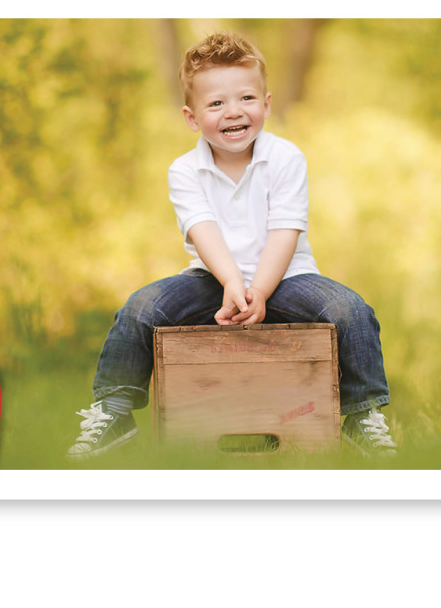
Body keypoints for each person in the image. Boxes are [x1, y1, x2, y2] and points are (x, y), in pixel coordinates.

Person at [67, 31, 396, 458]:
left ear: (267, 104)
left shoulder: (286, 158)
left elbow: (285, 229)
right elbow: (202, 228)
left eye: (246, 99)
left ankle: (363, 415)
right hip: (211, 278)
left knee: (350, 310)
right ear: (191, 117)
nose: (234, 112)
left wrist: (258, 290)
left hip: (288, 276)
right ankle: (113, 412)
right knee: (141, 308)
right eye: (216, 104)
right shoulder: (184, 170)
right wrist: (230, 281)